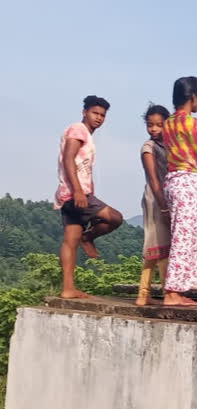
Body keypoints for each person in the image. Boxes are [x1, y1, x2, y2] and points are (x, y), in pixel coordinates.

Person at [55, 95, 124, 299]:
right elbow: (68, 159)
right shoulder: (78, 130)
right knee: (115, 218)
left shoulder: (86, 134)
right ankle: (89, 237)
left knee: (70, 241)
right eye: (95, 113)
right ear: (85, 112)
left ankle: (68, 288)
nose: (99, 118)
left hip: (68, 194)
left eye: (102, 115)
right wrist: (78, 190)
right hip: (75, 193)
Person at [162, 76, 197, 307]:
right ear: (193, 96)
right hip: (188, 180)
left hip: (172, 180)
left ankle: (177, 288)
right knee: (185, 236)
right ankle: (172, 291)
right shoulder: (193, 124)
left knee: (181, 233)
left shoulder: (168, 123)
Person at [136, 104, 171, 306]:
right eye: (151, 125)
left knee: (160, 245)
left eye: (159, 125)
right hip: (155, 198)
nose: (154, 129)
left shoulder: (168, 146)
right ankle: (154, 292)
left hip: (167, 196)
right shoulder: (148, 148)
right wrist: (164, 206)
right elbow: (153, 179)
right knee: (157, 244)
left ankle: (148, 292)